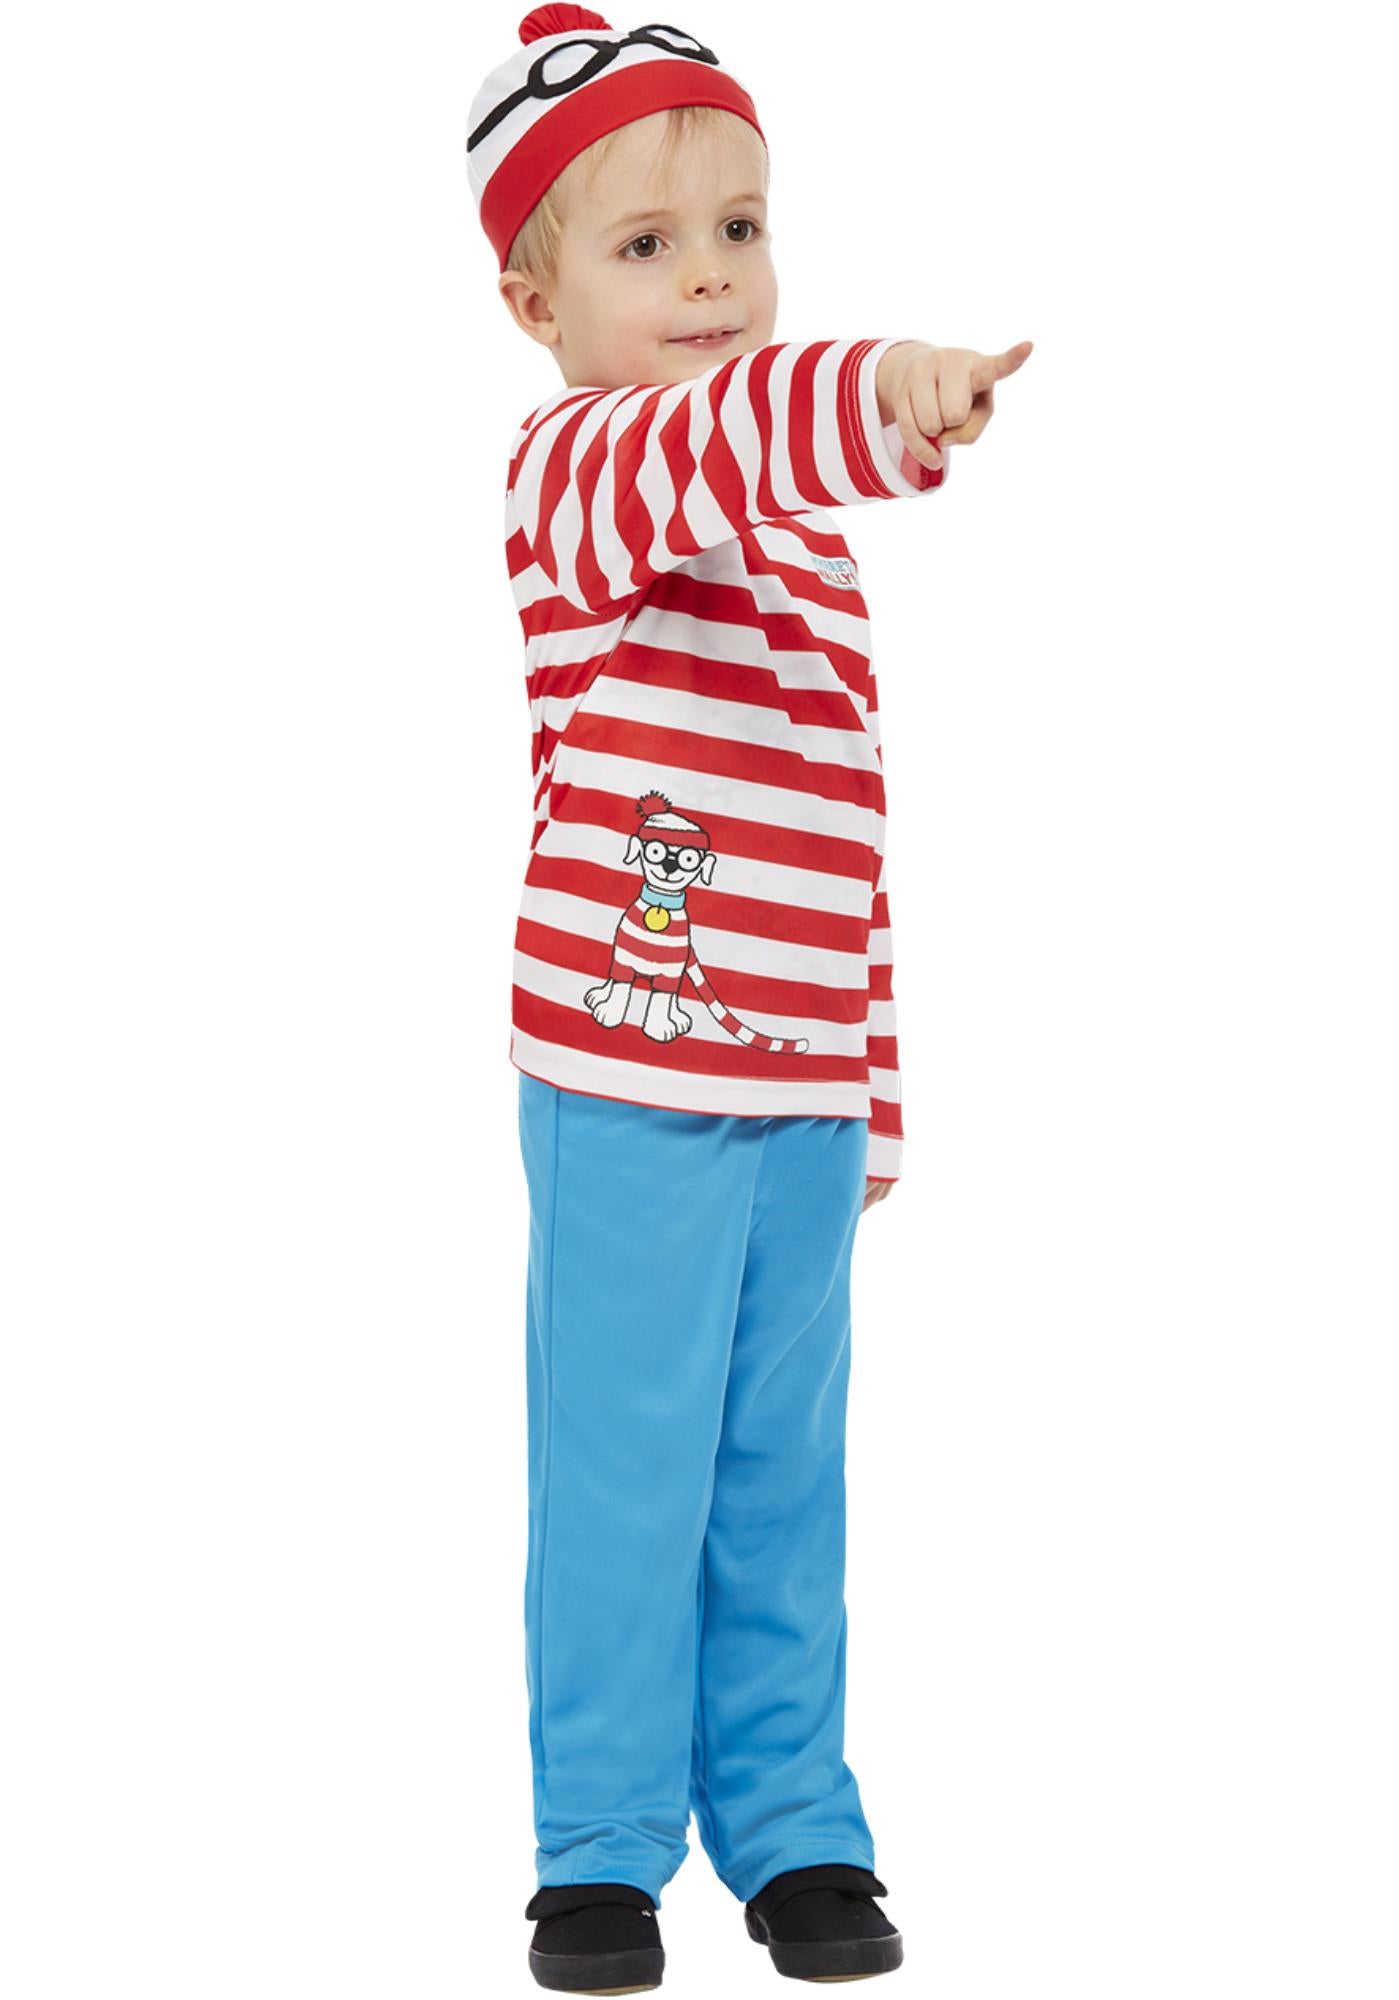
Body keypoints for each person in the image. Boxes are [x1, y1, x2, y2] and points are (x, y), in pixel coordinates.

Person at [466, 9, 1031, 1989]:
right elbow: (726, 433)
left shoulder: (805, 555)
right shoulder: (579, 474)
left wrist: (875, 1087)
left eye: (741, 227)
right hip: (626, 1076)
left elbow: (842, 822)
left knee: (784, 1479)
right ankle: (600, 1847)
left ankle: (793, 1821)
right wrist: (880, 390)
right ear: (536, 305)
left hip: (799, 1095)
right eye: (647, 246)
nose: (710, 275)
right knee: (623, 1472)